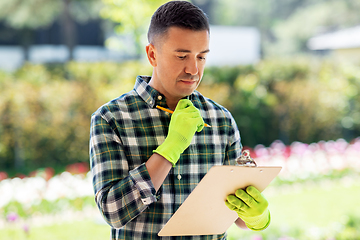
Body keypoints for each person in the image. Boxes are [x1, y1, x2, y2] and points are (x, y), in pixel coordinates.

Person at [89, 1, 270, 239]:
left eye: (201, 57)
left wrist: (256, 216)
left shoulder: (221, 120)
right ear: (152, 54)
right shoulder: (111, 118)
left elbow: (236, 215)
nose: (193, 69)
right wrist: (171, 146)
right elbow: (113, 211)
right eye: (182, 56)